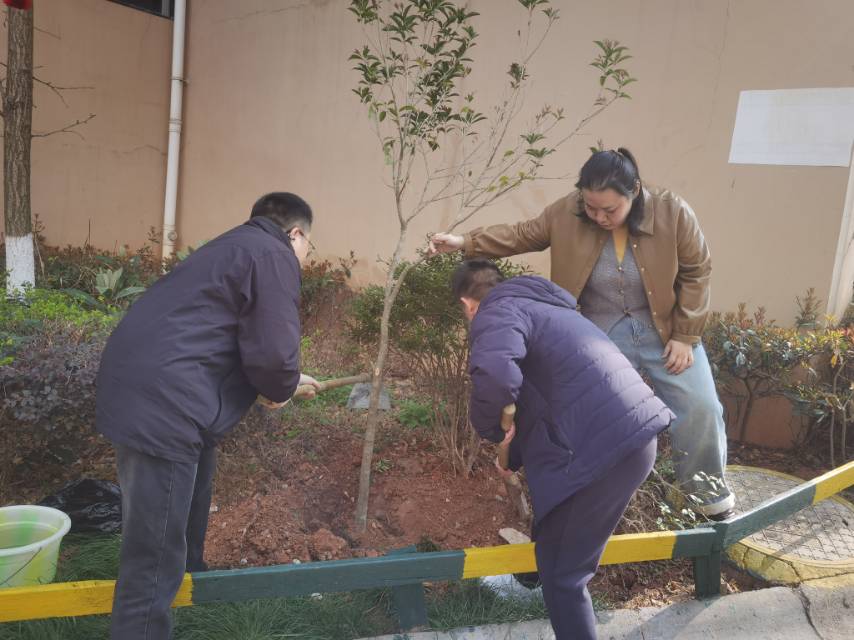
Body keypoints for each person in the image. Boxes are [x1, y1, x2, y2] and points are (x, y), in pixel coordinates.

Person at [430, 148, 734, 519]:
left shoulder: (673, 212)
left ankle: (707, 500)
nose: (599, 217)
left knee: (701, 407)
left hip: (665, 329)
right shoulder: (566, 212)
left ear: (635, 191)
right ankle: (598, 500)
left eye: (610, 210)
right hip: (600, 332)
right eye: (591, 208)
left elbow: (697, 271)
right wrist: (464, 242)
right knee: (586, 411)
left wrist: (685, 335)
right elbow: (522, 235)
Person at [95, 192, 322, 640]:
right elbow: (274, 354)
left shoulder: (232, 246)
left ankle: (190, 592)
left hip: (153, 388)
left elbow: (224, 333)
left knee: (189, 502)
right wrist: (281, 385)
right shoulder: (274, 254)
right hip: (166, 402)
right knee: (152, 556)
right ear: (296, 233)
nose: (306, 255)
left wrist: (283, 381)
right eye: (309, 245)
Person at [454, 259, 673, 640]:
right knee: (555, 531)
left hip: (599, 449)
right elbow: (547, 396)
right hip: (627, 438)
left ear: (467, 304)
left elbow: (496, 376)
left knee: (563, 576)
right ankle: (534, 590)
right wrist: (512, 454)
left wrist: (489, 430)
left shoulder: (497, 310)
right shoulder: (546, 309)